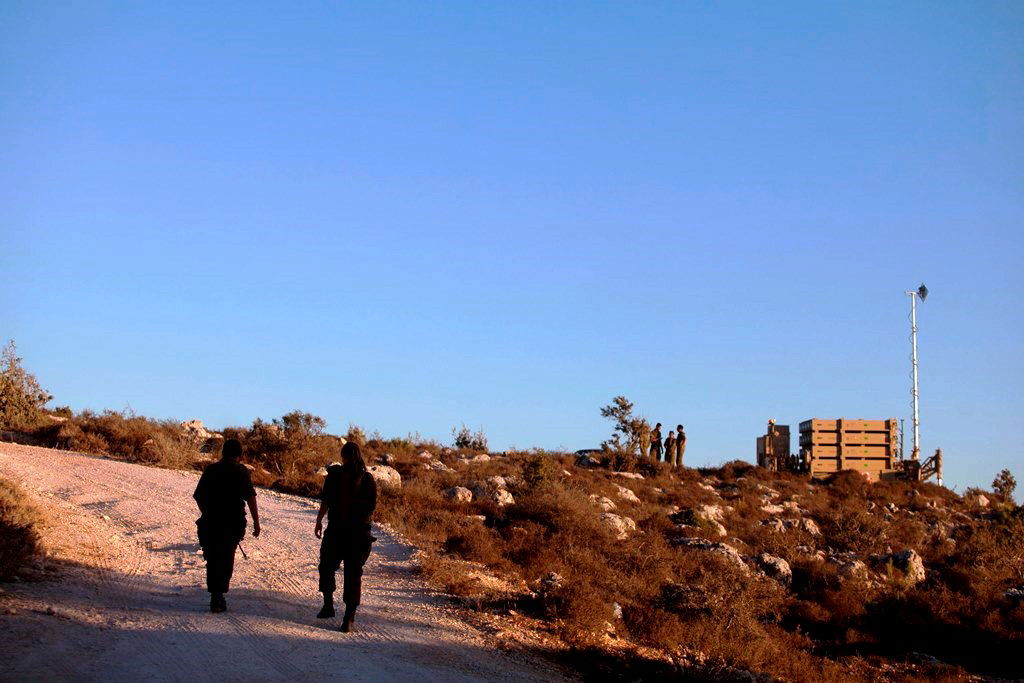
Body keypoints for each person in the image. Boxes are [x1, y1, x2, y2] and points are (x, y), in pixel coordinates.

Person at [315, 441, 377, 633]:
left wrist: (318, 521)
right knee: (353, 575)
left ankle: (328, 606)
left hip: (336, 531)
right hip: (359, 535)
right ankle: (348, 619)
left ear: (344, 456)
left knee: (326, 567)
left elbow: (326, 501)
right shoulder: (367, 479)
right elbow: (371, 508)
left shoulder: (334, 475)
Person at [193, 438, 260, 613]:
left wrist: (207, 511)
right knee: (226, 557)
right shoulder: (241, 471)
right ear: (239, 454)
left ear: (223, 452)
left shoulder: (211, 469)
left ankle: (215, 595)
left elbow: (198, 495)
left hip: (211, 522)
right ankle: (219, 594)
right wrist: (257, 523)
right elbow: (251, 497)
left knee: (213, 557)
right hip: (233, 523)